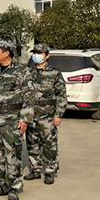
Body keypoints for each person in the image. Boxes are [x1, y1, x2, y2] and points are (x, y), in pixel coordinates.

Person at [0, 40, 34, 200]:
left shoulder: (21, 71)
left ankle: (14, 187)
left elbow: (29, 96)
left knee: (12, 154)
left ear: (7, 53)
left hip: (11, 120)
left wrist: (25, 119)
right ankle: (1, 185)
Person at [25, 43, 67, 185]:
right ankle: (35, 170)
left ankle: (50, 171)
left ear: (47, 56)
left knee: (49, 144)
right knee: (32, 143)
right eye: (35, 53)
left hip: (47, 115)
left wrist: (58, 114)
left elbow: (61, 95)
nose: (36, 55)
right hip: (31, 114)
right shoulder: (28, 73)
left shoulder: (54, 73)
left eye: (40, 53)